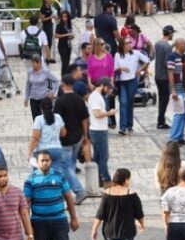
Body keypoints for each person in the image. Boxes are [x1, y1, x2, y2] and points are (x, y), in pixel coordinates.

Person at [24, 151, 79, 240]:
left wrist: (74, 218)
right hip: (39, 222)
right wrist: (27, 226)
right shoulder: (30, 180)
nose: (45, 163)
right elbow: (26, 204)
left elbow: (68, 197)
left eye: (47, 160)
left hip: (59, 219)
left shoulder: (59, 176)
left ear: (51, 161)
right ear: (37, 162)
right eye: (42, 160)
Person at [54, 74, 89, 203]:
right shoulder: (79, 99)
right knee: (71, 165)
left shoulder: (60, 101)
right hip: (78, 136)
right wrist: (85, 136)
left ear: (64, 84)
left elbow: (56, 121)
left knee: (64, 167)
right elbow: (85, 119)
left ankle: (79, 191)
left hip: (66, 139)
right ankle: (68, 192)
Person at [114, 37, 151, 135]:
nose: (129, 45)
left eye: (130, 43)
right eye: (127, 43)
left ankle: (129, 125)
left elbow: (147, 60)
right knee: (123, 103)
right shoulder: (118, 55)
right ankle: (122, 127)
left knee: (130, 103)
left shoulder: (135, 53)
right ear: (122, 45)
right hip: (122, 82)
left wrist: (140, 70)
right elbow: (114, 68)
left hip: (132, 81)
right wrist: (121, 68)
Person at [89, 77, 117, 183]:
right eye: (107, 88)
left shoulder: (95, 96)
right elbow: (97, 114)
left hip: (97, 130)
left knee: (97, 157)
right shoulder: (96, 97)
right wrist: (110, 113)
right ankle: (107, 180)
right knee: (104, 157)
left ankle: (97, 179)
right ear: (102, 86)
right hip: (99, 131)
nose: (108, 91)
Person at [88, 38, 117, 129]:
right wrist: (89, 83)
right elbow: (89, 71)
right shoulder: (91, 58)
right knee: (97, 103)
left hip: (106, 83)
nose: (103, 45)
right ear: (96, 46)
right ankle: (99, 122)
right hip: (96, 84)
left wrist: (111, 82)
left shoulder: (108, 56)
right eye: (101, 44)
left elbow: (112, 71)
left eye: (103, 43)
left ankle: (108, 122)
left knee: (106, 103)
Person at [23, 55, 59, 120]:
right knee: (35, 118)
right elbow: (28, 85)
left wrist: (52, 92)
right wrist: (26, 97)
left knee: (45, 117)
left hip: (44, 98)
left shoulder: (46, 72)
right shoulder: (30, 72)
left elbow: (56, 81)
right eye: (32, 63)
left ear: (39, 63)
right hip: (33, 98)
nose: (33, 64)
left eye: (34, 63)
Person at [168, 38, 185, 144]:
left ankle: (180, 135)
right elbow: (171, 73)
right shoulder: (172, 57)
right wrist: (173, 90)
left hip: (184, 88)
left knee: (183, 113)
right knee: (179, 113)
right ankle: (174, 137)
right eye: (184, 43)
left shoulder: (184, 57)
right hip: (177, 88)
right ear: (178, 45)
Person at [155, 26, 176, 129]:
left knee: (161, 98)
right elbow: (167, 63)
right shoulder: (167, 47)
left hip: (157, 75)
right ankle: (160, 121)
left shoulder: (158, 44)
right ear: (170, 33)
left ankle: (161, 119)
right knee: (164, 99)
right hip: (164, 77)